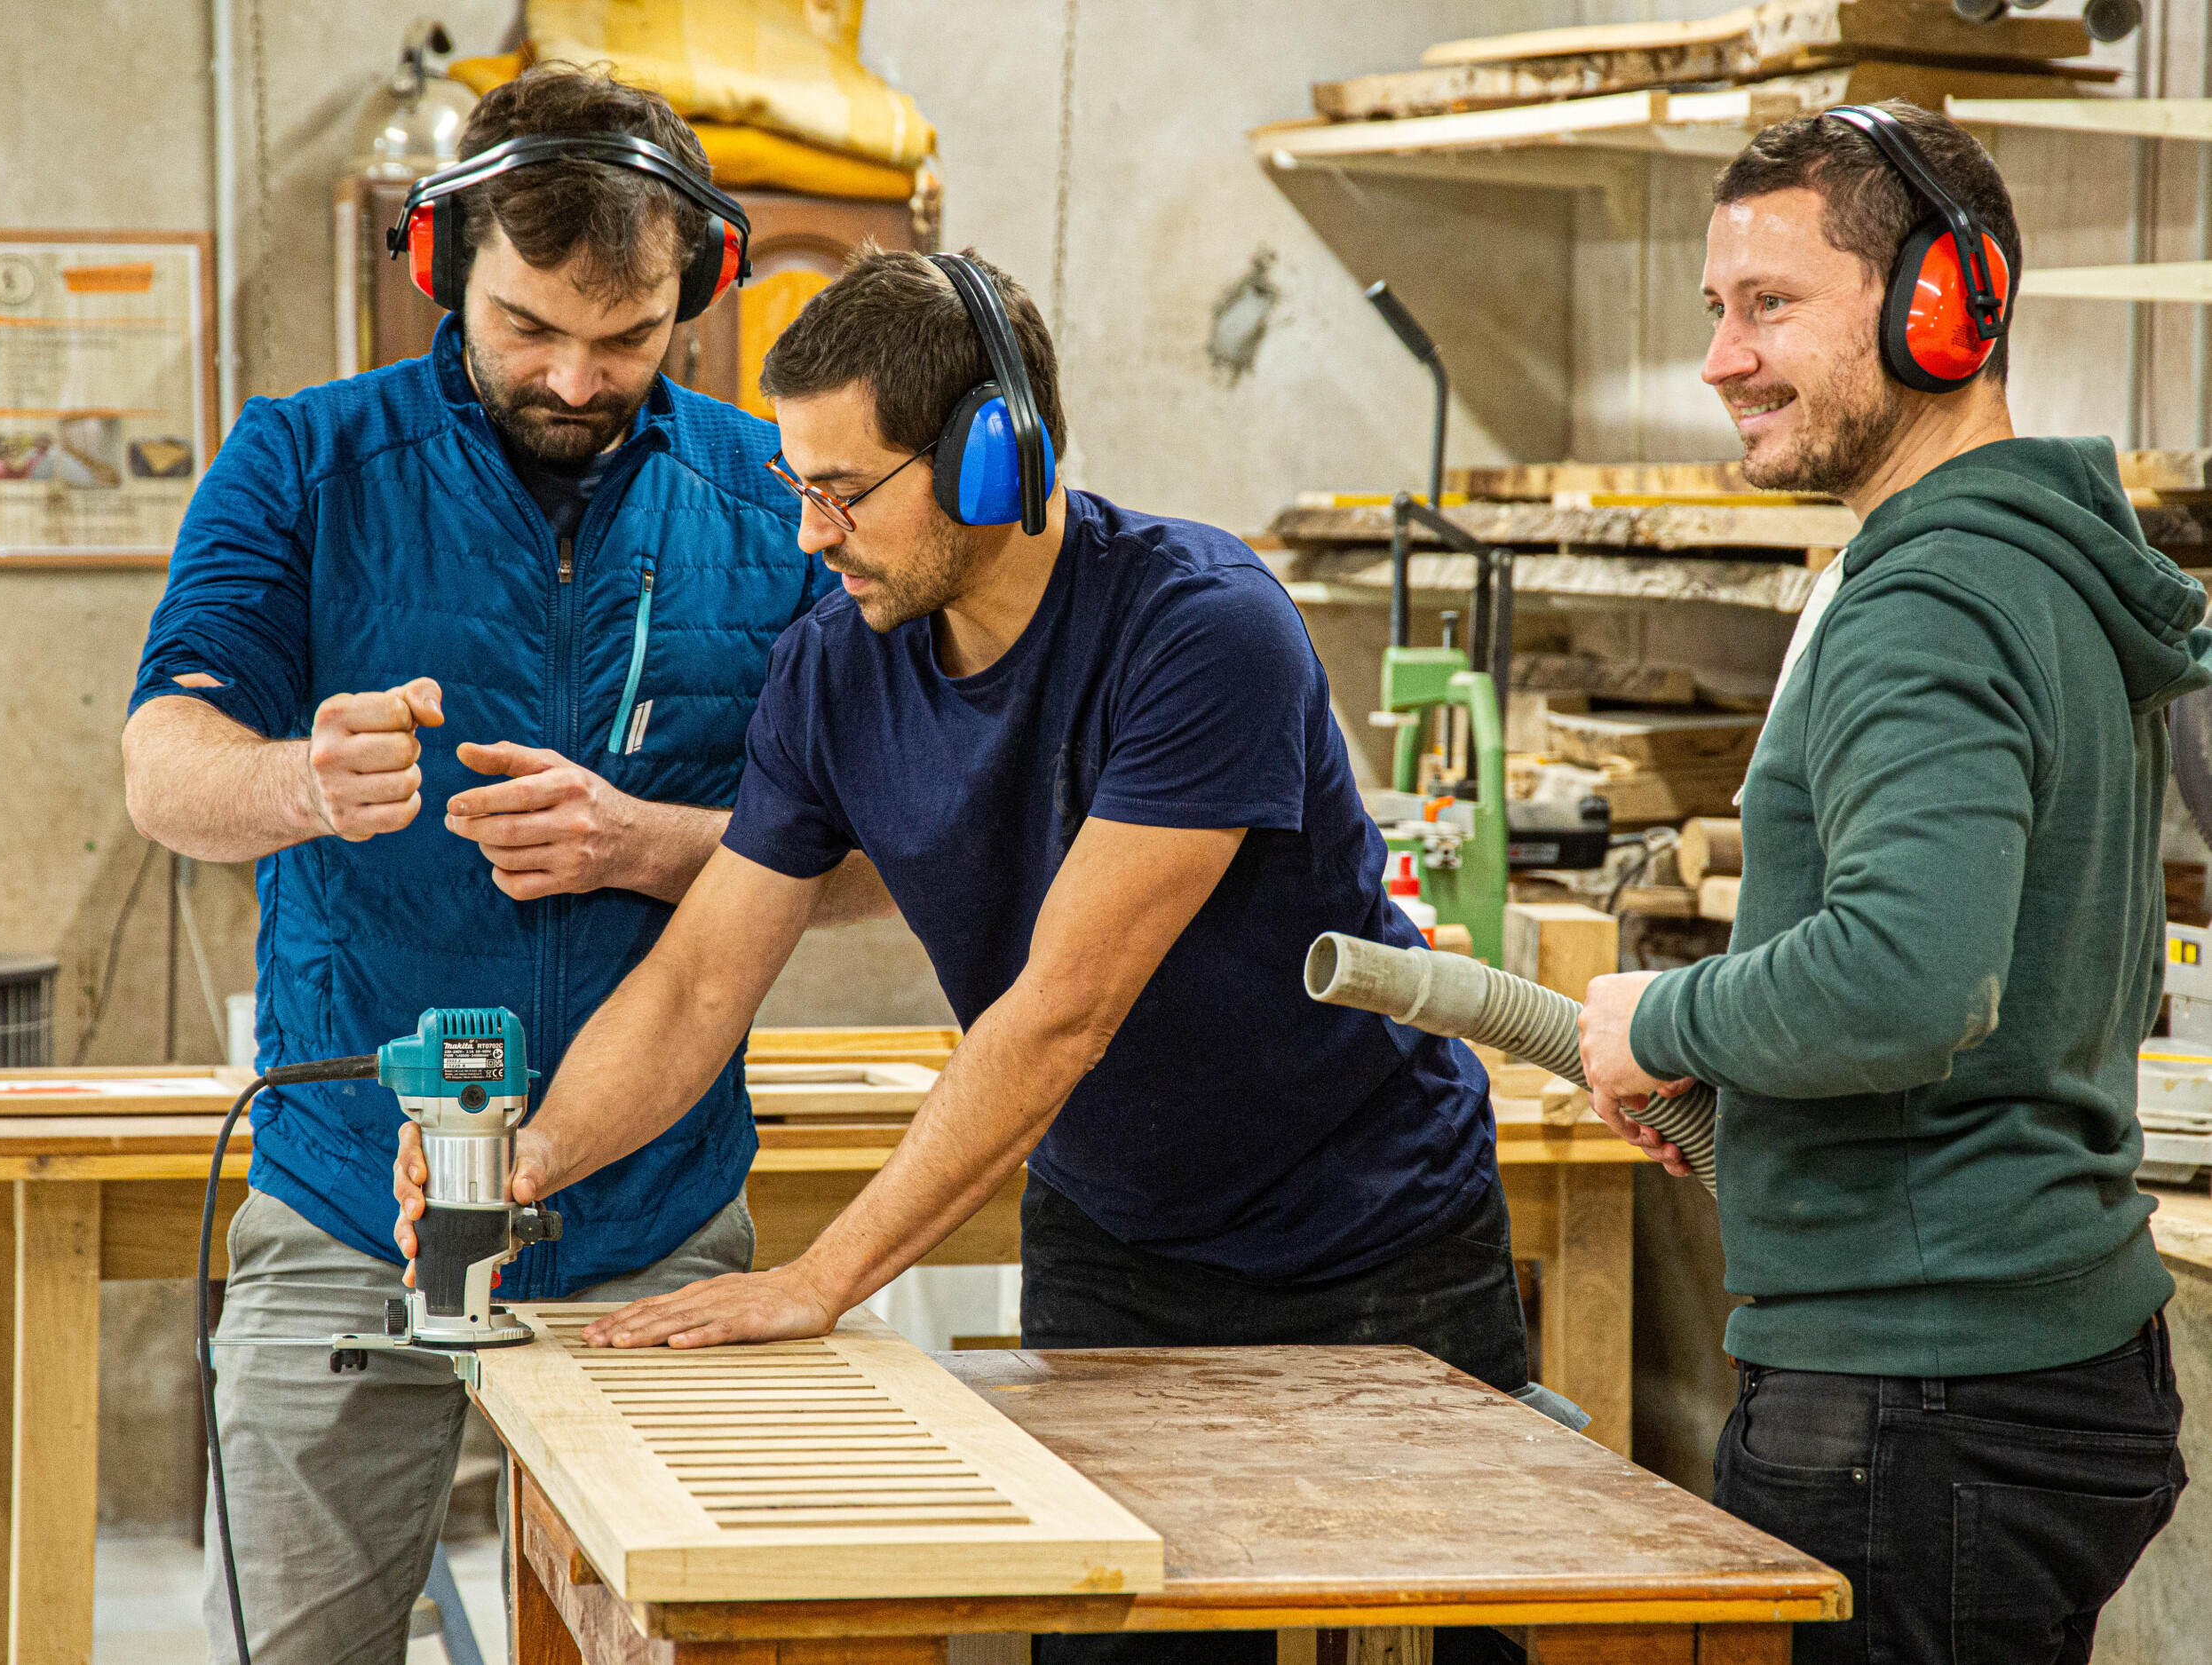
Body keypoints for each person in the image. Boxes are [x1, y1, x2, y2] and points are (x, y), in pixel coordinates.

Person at [394, 247, 1537, 1665]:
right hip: (1113, 1238)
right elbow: (702, 978)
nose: (812, 534)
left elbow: (1060, 1016)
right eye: (795, 487)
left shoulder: (1202, 632)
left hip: (1369, 1239)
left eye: (847, 491)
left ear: (998, 457)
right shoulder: (835, 663)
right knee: (1123, 1641)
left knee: (1435, 1637)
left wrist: (821, 1280)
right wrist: (524, 1163)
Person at [123, 66, 886, 1662]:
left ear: (704, 287)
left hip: (658, 1226)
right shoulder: (304, 467)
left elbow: (901, 854)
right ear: (440, 268)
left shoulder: (776, 507)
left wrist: (661, 843)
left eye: (628, 339)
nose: (574, 376)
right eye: (529, 325)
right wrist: (302, 783)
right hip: (349, 1213)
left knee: (682, 1642)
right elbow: (162, 771)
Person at [1575, 100, 2196, 1663]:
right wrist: (1747, 1076)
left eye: (1772, 306)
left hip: (1920, 1402)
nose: (1724, 359)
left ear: (1945, 305)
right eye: (1717, 312)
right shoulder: (2047, 569)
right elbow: (2080, 975)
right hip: (2034, 1359)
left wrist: (1665, 1015)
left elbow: (1908, 981)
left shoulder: (1925, 602)